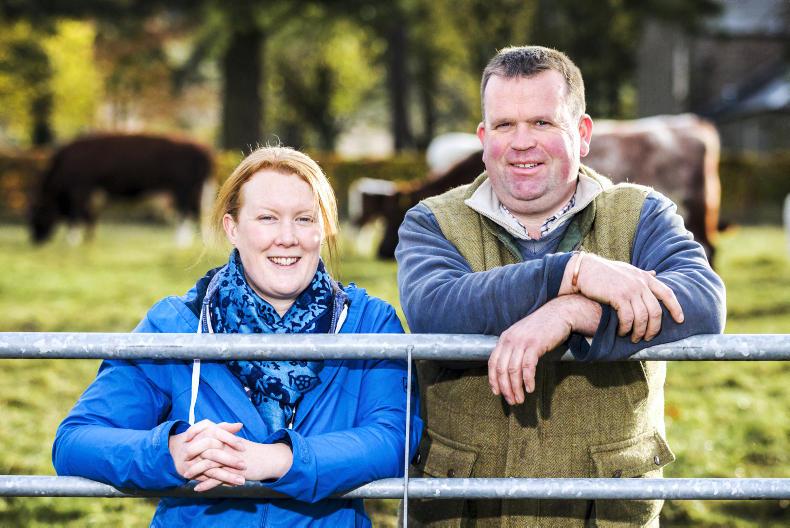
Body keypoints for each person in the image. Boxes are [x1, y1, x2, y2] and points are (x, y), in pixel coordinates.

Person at [396, 46, 725, 527]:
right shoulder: (432, 222)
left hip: (602, 512)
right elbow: (434, 310)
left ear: (583, 133)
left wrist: (573, 313)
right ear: (483, 138)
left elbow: (702, 303)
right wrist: (569, 272)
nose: (521, 142)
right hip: (468, 512)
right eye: (505, 125)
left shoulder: (641, 214)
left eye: (543, 123)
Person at [53, 146, 421, 527]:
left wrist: (280, 460)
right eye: (267, 218)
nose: (287, 237)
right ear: (233, 228)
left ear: (323, 228)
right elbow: (76, 442)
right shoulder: (175, 326)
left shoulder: (368, 323)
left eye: (304, 218)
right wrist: (173, 452)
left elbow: (393, 438)